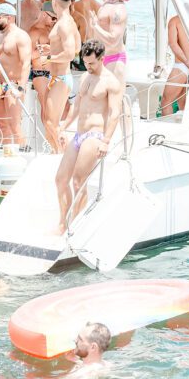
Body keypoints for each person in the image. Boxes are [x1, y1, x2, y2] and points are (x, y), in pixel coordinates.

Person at [55, 40, 122, 234]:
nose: (88, 66)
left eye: (92, 63)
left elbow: (114, 113)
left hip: (95, 135)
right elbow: (76, 107)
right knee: (60, 179)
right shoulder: (85, 76)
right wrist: (63, 127)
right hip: (79, 134)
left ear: (101, 59)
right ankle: (63, 221)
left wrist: (106, 141)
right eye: (85, 62)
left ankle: (75, 225)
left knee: (78, 181)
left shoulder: (111, 82)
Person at [41, 0, 78, 153]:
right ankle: (55, 153)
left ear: (54, 3)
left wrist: (50, 58)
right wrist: (51, 50)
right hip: (58, 77)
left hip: (61, 78)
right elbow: (76, 47)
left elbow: (70, 54)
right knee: (48, 121)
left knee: (50, 122)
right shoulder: (68, 21)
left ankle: (62, 155)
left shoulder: (64, 24)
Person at [0, 4, 32, 146]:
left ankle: (23, 156)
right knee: (2, 125)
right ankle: (5, 155)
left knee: (14, 126)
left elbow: (26, 64)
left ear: (9, 17)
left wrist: (21, 88)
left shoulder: (21, 36)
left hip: (13, 85)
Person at [92, 0, 132, 87]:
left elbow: (113, 40)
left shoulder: (118, 10)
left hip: (114, 59)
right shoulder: (108, 1)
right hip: (100, 57)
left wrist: (95, 26)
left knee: (115, 101)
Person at [161, 15, 189, 116]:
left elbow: (173, 44)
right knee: (184, 103)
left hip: (183, 65)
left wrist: (187, 63)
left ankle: (167, 131)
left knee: (166, 102)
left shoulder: (175, 20)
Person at [29, 5, 56, 122]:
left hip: (53, 73)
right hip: (40, 74)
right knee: (46, 108)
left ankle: (51, 137)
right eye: (53, 18)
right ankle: (49, 139)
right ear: (45, 14)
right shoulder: (34, 31)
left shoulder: (51, 30)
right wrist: (44, 50)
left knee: (54, 109)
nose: (55, 21)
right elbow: (28, 55)